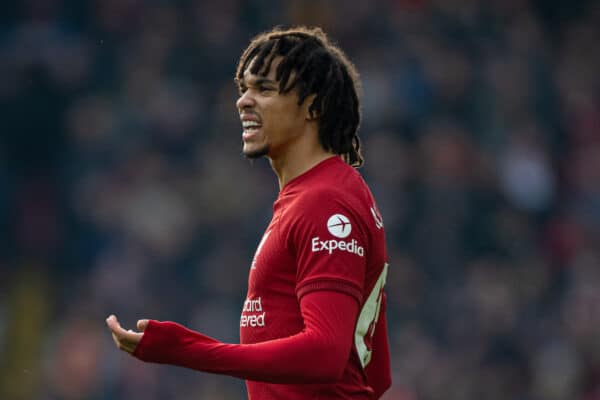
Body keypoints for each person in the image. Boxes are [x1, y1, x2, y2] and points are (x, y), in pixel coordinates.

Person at [106, 26, 391, 400]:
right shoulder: (321, 194)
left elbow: (325, 355)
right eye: (243, 89)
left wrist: (187, 350)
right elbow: (378, 371)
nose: (243, 101)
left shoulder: (325, 203)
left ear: (314, 106)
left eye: (264, 89)